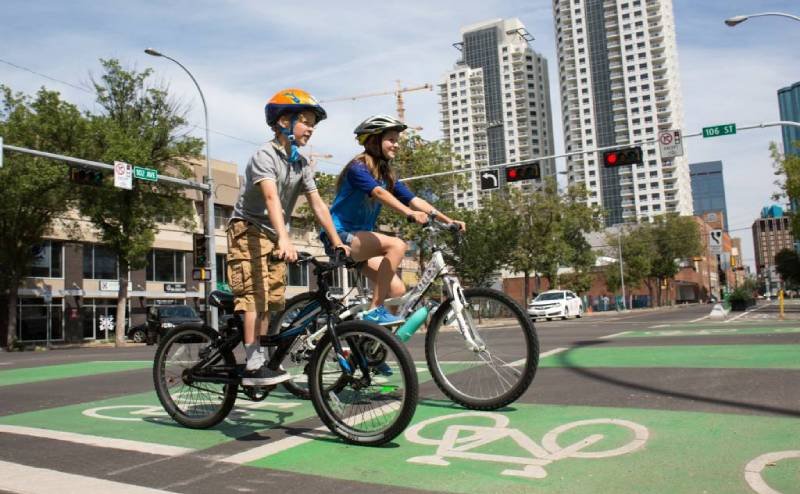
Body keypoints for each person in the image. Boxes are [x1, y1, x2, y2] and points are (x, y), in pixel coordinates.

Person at [228, 88, 349, 386]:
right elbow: (271, 198)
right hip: (248, 227)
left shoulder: (300, 164)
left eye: (313, 124)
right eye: (306, 121)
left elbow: (318, 204)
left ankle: (262, 356)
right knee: (255, 293)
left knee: (273, 298)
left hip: (273, 231)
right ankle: (253, 362)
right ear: (284, 121)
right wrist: (285, 238)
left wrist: (337, 241)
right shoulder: (264, 155)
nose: (311, 129)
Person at [320, 114, 465, 326]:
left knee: (396, 290)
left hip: (360, 240)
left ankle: (373, 342)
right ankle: (374, 311)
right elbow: (378, 193)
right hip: (340, 236)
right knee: (397, 245)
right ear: (373, 141)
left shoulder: (386, 175)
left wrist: (449, 220)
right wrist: (408, 213)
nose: (396, 145)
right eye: (391, 139)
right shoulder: (357, 168)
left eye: (397, 140)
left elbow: (415, 200)